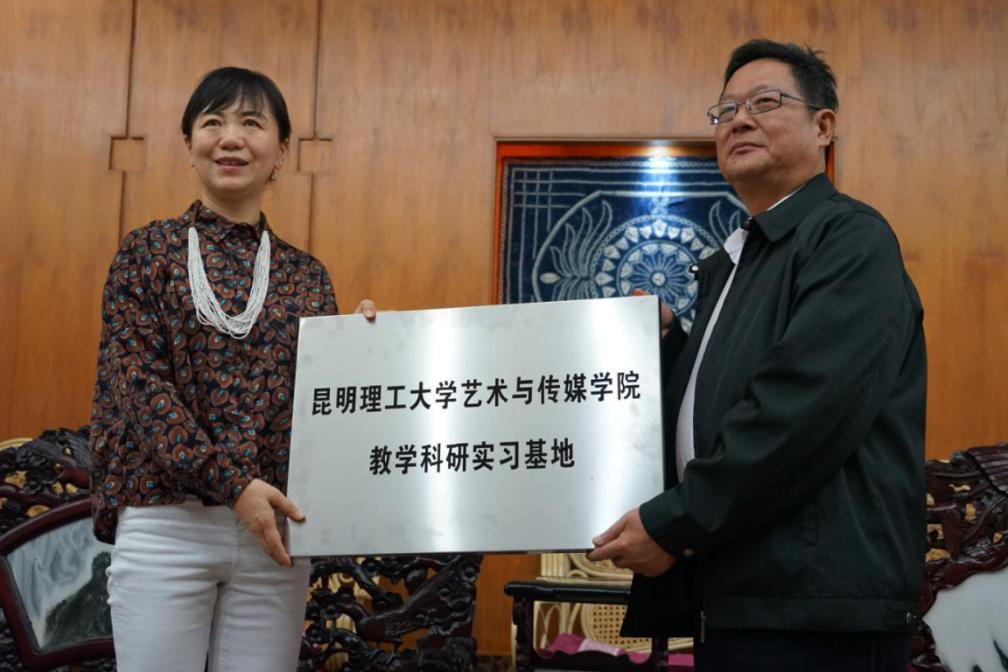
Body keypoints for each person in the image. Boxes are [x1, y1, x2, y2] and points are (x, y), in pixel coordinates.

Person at [588, 39, 926, 671]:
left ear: (823, 126)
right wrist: (667, 343)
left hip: (815, 611)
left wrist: (675, 523)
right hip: (738, 593)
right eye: (725, 110)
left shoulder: (849, 239)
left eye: (765, 103)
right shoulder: (737, 260)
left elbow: (798, 411)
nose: (738, 120)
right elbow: (722, 403)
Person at [89, 66, 375, 672]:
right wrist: (233, 485)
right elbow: (140, 390)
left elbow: (317, 407)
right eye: (213, 122)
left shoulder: (307, 277)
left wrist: (367, 350)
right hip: (167, 525)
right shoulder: (147, 253)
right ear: (189, 143)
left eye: (251, 123)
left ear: (281, 150)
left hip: (274, 534)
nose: (231, 138)